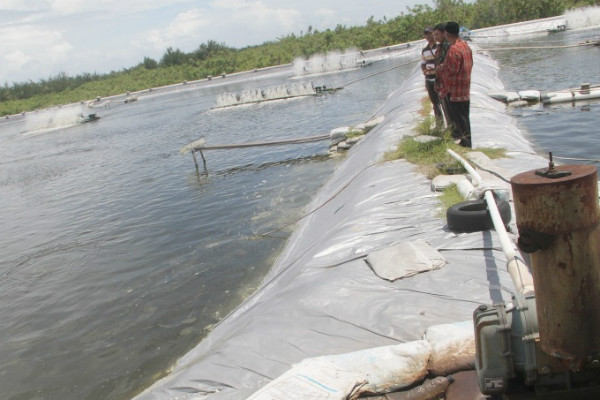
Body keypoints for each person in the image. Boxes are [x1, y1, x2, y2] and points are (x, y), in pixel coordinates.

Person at [438, 21, 473, 147]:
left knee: (459, 120)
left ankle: (466, 145)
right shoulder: (465, 46)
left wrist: (444, 91)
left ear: (447, 33)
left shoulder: (453, 49)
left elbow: (451, 73)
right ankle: (466, 143)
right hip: (465, 89)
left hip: (455, 91)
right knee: (465, 118)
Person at [421, 27, 443, 126]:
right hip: (429, 78)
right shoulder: (425, 50)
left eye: (430, 34)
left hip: (439, 77)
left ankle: (450, 124)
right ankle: (439, 124)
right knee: (435, 103)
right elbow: (423, 63)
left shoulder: (439, 47)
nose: (429, 36)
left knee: (443, 101)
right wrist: (425, 70)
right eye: (426, 34)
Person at [432, 23, 451, 128]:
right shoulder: (440, 47)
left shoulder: (449, 46)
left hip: (448, 83)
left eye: (437, 34)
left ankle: (456, 132)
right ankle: (451, 130)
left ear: (444, 33)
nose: (435, 37)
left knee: (451, 109)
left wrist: (441, 67)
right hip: (442, 83)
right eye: (434, 35)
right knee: (445, 108)